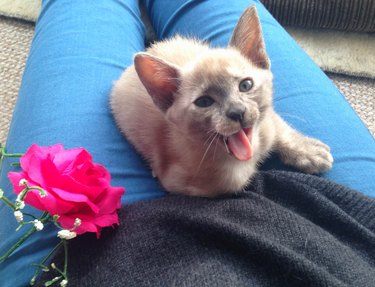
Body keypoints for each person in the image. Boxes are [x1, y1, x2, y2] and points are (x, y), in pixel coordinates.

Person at [0, 1, 374, 286]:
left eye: (246, 85)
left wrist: (290, 142)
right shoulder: (196, 174)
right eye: (206, 101)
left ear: (259, 59)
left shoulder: (247, 96)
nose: (238, 110)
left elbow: (266, 121)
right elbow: (172, 179)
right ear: (167, 100)